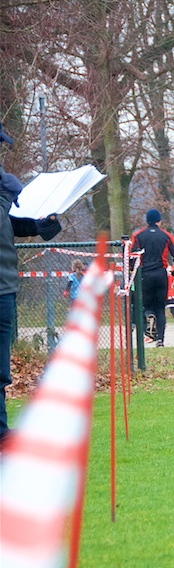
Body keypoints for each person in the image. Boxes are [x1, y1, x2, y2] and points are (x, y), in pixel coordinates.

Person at [1, 132, 62, 446]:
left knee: (1, 369)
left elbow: (8, 224)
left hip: (3, 288)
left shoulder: (5, 186)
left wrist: (38, 226)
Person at [129, 208, 174, 348]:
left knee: (145, 305)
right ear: (159, 221)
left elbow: (130, 256)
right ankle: (160, 340)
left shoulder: (138, 235)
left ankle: (149, 316)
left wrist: (133, 270)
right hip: (160, 273)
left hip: (144, 274)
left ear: (147, 221)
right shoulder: (166, 236)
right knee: (160, 308)